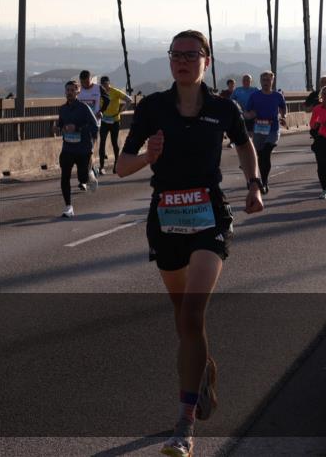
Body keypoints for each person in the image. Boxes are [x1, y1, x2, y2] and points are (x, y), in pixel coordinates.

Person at [116, 30, 264, 457]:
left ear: (207, 61)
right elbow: (122, 167)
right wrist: (149, 156)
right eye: (175, 55)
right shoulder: (153, 108)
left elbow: (245, 145)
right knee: (185, 322)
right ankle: (205, 369)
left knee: (194, 313)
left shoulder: (223, 108)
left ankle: (184, 427)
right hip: (165, 219)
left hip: (209, 218)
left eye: (191, 55)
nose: (182, 61)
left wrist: (254, 186)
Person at [54, 79, 99, 217]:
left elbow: (94, 125)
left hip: (82, 149)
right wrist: (57, 127)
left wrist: (78, 128)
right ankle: (68, 207)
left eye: (72, 90)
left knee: (82, 178)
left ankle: (90, 172)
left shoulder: (84, 108)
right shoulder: (63, 109)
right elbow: (61, 123)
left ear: (78, 92)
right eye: (67, 90)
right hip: (68, 148)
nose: (69, 93)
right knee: (64, 177)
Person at [244, 72, 287, 194]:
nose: (266, 82)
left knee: (266, 152)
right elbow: (247, 112)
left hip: (273, 129)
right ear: (260, 81)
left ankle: (264, 182)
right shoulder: (254, 96)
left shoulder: (277, 96)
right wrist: (249, 115)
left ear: (272, 81)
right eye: (263, 79)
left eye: (268, 79)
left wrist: (283, 116)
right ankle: (253, 178)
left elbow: (283, 108)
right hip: (258, 129)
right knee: (259, 156)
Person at [76, 70, 108, 178]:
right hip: (80, 124)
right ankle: (92, 169)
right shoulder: (78, 90)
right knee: (82, 150)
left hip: (94, 123)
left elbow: (107, 99)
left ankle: (87, 173)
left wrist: (101, 111)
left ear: (90, 79)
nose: (85, 84)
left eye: (86, 82)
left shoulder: (98, 88)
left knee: (89, 149)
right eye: (82, 82)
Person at [98, 76, 130, 175]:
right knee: (102, 142)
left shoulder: (115, 91)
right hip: (104, 120)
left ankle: (116, 164)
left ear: (109, 83)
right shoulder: (99, 92)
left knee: (114, 142)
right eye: (102, 84)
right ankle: (102, 167)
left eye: (106, 84)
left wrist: (122, 110)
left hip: (114, 120)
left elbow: (129, 100)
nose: (104, 86)